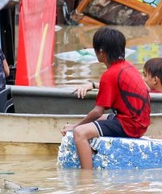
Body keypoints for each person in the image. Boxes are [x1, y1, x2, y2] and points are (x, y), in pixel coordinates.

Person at [64, 27, 151, 170]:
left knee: (80, 133)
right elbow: (143, 88)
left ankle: (87, 179)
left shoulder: (109, 75)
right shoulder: (128, 67)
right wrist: (94, 85)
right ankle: (90, 152)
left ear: (101, 52)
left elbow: (97, 111)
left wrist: (75, 126)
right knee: (102, 119)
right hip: (140, 123)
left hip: (130, 126)